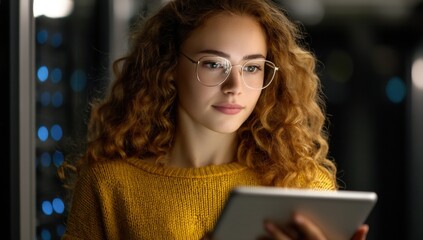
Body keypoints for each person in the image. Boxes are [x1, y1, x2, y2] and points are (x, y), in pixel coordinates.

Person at [58, 0, 370, 239]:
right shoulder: (109, 185)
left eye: (251, 68)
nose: (235, 87)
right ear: (167, 66)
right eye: (213, 64)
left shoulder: (303, 186)